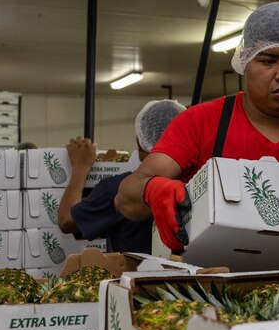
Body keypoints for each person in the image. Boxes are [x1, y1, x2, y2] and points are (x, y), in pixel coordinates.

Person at [115, 1, 279, 252]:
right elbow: (125, 198)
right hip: (213, 279)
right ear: (244, 61)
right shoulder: (200, 122)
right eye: (268, 61)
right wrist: (150, 190)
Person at [58, 99, 186, 253]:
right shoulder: (195, 183)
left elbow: (66, 220)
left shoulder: (119, 190)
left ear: (139, 142)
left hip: (133, 276)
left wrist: (80, 167)